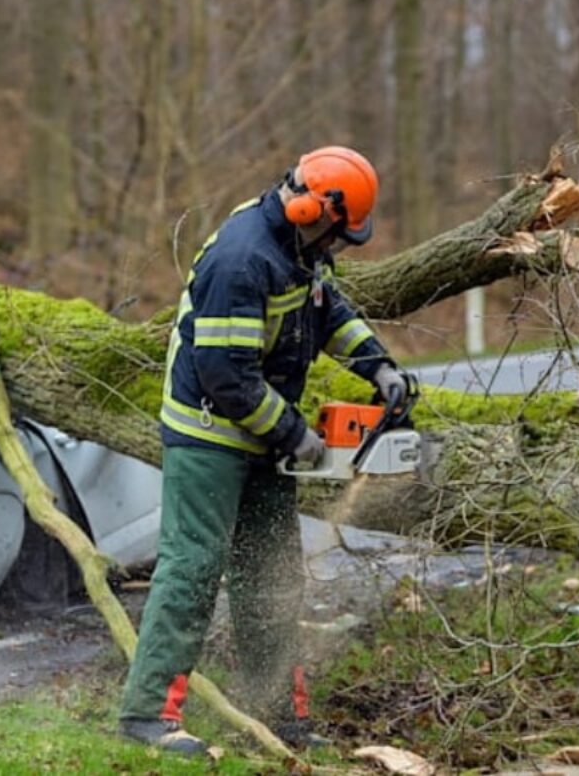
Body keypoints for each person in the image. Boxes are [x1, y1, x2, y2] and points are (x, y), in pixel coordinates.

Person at [118, 146, 410, 755]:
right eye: (340, 233)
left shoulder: (301, 251)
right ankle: (146, 716)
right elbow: (225, 373)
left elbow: (328, 312)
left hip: (264, 433)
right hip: (209, 436)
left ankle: (276, 712)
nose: (339, 246)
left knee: (272, 576)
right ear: (316, 209)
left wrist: (377, 366)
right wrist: (295, 434)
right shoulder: (243, 259)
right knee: (193, 569)